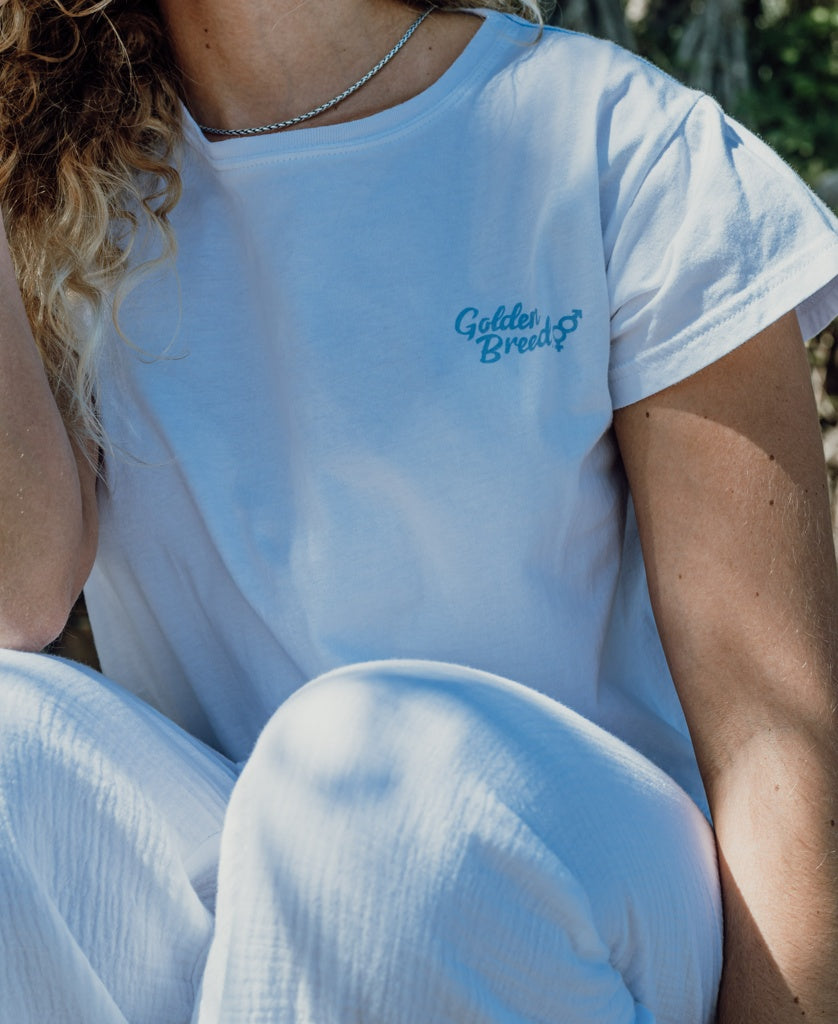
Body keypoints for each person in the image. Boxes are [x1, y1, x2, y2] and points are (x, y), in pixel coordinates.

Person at [0, 0, 836, 1021]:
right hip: (237, 906)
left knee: (369, 782)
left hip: (597, 911)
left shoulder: (618, 145)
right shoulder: (60, 196)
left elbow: (779, 755)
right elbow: (20, 598)